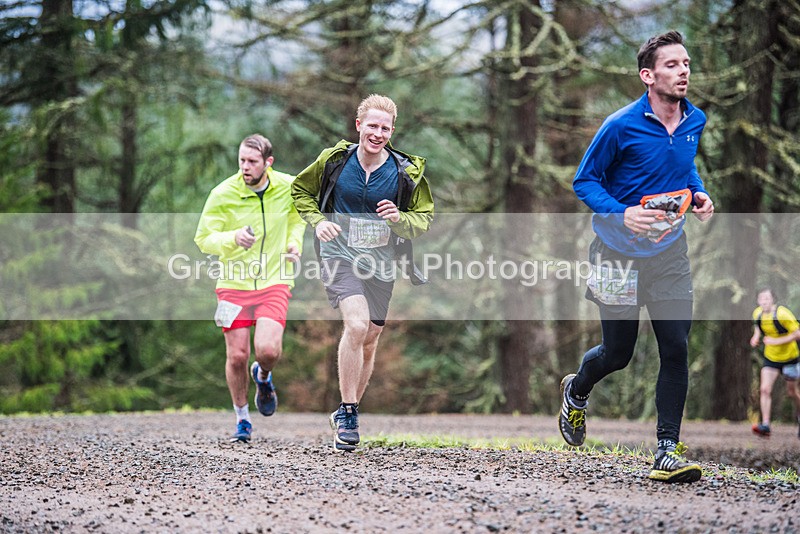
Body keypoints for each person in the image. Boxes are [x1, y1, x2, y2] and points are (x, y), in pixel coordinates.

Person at [557, 31, 715, 483]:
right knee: (618, 352)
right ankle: (577, 390)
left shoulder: (694, 120)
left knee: (676, 347)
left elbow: (684, 166)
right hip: (615, 253)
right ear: (648, 75)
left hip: (669, 254)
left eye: (686, 63)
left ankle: (667, 448)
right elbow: (584, 182)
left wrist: (700, 195)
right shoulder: (620, 125)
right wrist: (622, 213)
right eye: (671, 65)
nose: (683, 70)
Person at [291, 94, 434, 452]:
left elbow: (424, 217)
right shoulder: (334, 161)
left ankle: (347, 410)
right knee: (355, 325)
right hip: (339, 255)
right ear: (358, 126)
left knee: (370, 338)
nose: (378, 133)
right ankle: (349, 412)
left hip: (381, 264)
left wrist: (400, 219)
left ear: (392, 131)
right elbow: (301, 191)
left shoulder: (405, 171)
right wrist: (319, 221)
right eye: (372, 125)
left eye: (385, 128)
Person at [195, 134, 306, 442]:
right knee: (237, 356)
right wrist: (232, 238)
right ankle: (242, 418)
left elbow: (298, 216)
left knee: (268, 350)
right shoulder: (223, 194)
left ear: (268, 163)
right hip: (233, 283)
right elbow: (203, 238)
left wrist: (293, 243)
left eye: (252, 162)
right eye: (242, 160)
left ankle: (264, 375)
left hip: (274, 280)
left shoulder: (287, 186)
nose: (245, 167)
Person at [749, 288, 800, 439]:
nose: (764, 301)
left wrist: (776, 341)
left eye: (767, 298)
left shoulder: (782, 314)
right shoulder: (757, 313)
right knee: (764, 389)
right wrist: (755, 338)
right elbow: (758, 328)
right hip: (771, 358)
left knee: (792, 393)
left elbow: (798, 333)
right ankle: (765, 424)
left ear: (773, 300)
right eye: (761, 299)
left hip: (790, 358)